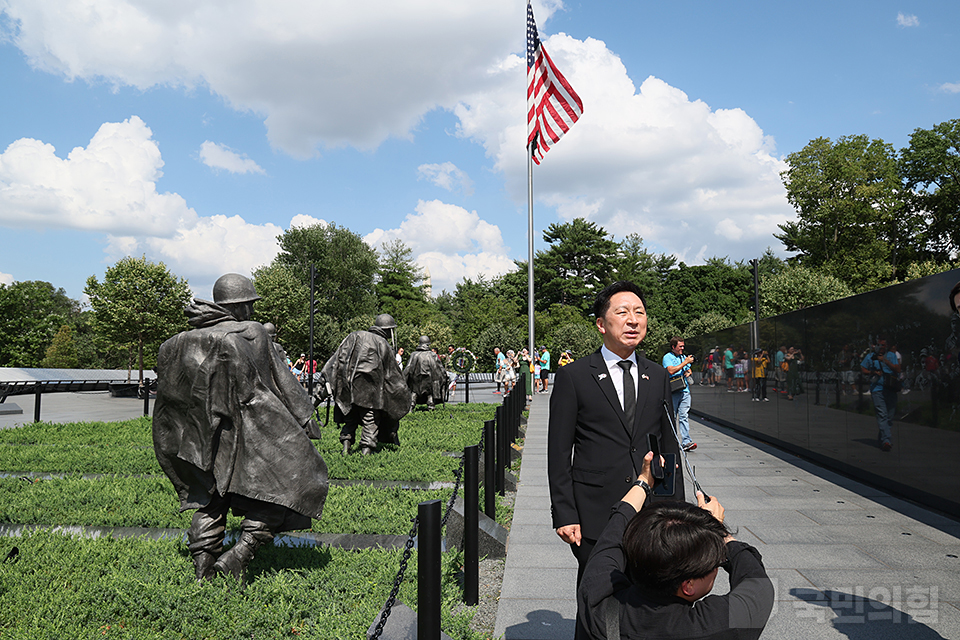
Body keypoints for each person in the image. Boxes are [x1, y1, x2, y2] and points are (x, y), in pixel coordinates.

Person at [153, 273, 329, 582]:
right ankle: (240, 554)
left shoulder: (177, 342)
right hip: (247, 428)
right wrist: (304, 416)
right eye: (250, 304)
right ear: (243, 305)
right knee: (286, 482)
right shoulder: (252, 332)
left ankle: (202, 569)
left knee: (210, 497)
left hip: (196, 437)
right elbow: (278, 379)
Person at [548, 281, 684, 591]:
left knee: (648, 601)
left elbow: (669, 445)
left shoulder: (658, 375)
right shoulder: (575, 376)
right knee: (597, 599)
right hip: (595, 514)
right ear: (601, 324)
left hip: (650, 514)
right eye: (622, 312)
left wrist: (677, 513)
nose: (633, 320)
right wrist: (564, 513)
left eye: (639, 312)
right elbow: (558, 454)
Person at [577, 452, 774, 640]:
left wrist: (643, 481)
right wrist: (718, 532)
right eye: (714, 561)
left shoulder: (598, 605)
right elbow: (757, 583)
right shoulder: (715, 627)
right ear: (688, 586)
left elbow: (612, 535)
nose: (715, 566)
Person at [321, 314, 410, 455]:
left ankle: (346, 448)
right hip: (370, 390)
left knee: (350, 417)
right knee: (370, 419)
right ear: (387, 330)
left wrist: (327, 380)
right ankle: (366, 450)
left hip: (348, 387)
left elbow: (336, 359)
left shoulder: (353, 336)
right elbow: (392, 374)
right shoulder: (383, 343)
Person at [860, 336, 900, 451]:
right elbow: (863, 368)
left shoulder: (891, 355)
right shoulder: (870, 356)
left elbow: (897, 369)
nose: (881, 347)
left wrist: (884, 361)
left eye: (883, 345)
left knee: (889, 416)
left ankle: (882, 439)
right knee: (882, 415)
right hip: (877, 388)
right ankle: (887, 440)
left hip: (891, 388)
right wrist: (873, 372)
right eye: (879, 345)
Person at [662, 337, 696, 452]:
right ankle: (672, 440)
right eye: (680, 346)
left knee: (684, 416)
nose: (682, 348)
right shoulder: (668, 357)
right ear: (673, 347)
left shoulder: (682, 357)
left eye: (683, 346)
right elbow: (671, 370)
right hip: (673, 391)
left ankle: (686, 441)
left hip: (685, 391)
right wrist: (685, 362)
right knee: (673, 416)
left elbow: (688, 369)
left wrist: (688, 371)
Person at [403, 336, 448, 409]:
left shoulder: (414, 354)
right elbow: (440, 368)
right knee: (429, 393)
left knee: (414, 393)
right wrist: (444, 376)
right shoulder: (432, 355)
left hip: (416, 380)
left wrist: (403, 378)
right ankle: (431, 406)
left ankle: (411, 407)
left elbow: (408, 368)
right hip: (428, 379)